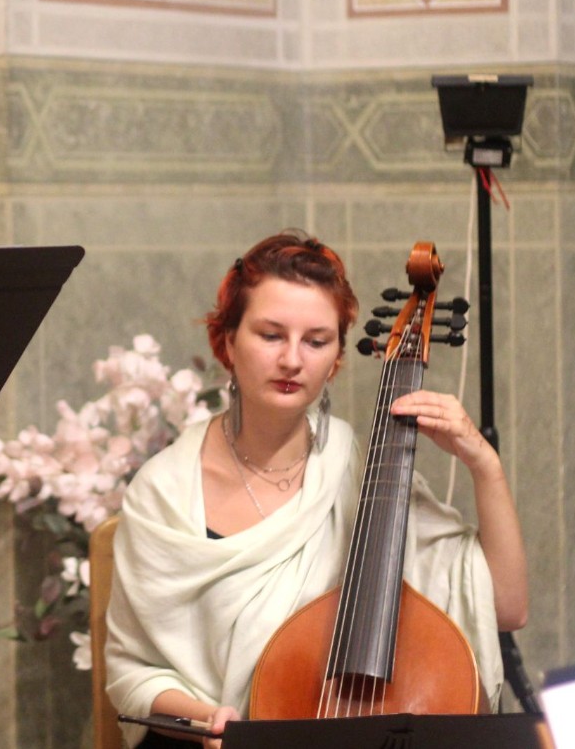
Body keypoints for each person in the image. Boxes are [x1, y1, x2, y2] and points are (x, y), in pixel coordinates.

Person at [104, 232, 527, 748]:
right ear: (227, 342)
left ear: (337, 359)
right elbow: (133, 671)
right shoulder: (163, 491)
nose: (292, 359)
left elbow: (507, 606)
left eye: (316, 341)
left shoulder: (366, 477)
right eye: (271, 335)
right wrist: (212, 719)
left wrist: (483, 462)